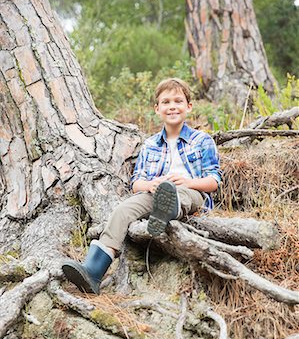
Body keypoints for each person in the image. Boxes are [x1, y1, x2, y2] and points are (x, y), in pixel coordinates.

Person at [62, 78, 221, 294]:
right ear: (157, 109)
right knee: (123, 210)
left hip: (192, 194)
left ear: (188, 106)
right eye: (165, 102)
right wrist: (150, 184)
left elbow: (214, 180)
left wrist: (189, 182)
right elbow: (136, 182)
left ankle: (168, 210)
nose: (172, 106)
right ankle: (93, 272)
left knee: (179, 194)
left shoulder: (202, 140)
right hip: (155, 194)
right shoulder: (150, 145)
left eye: (178, 101)